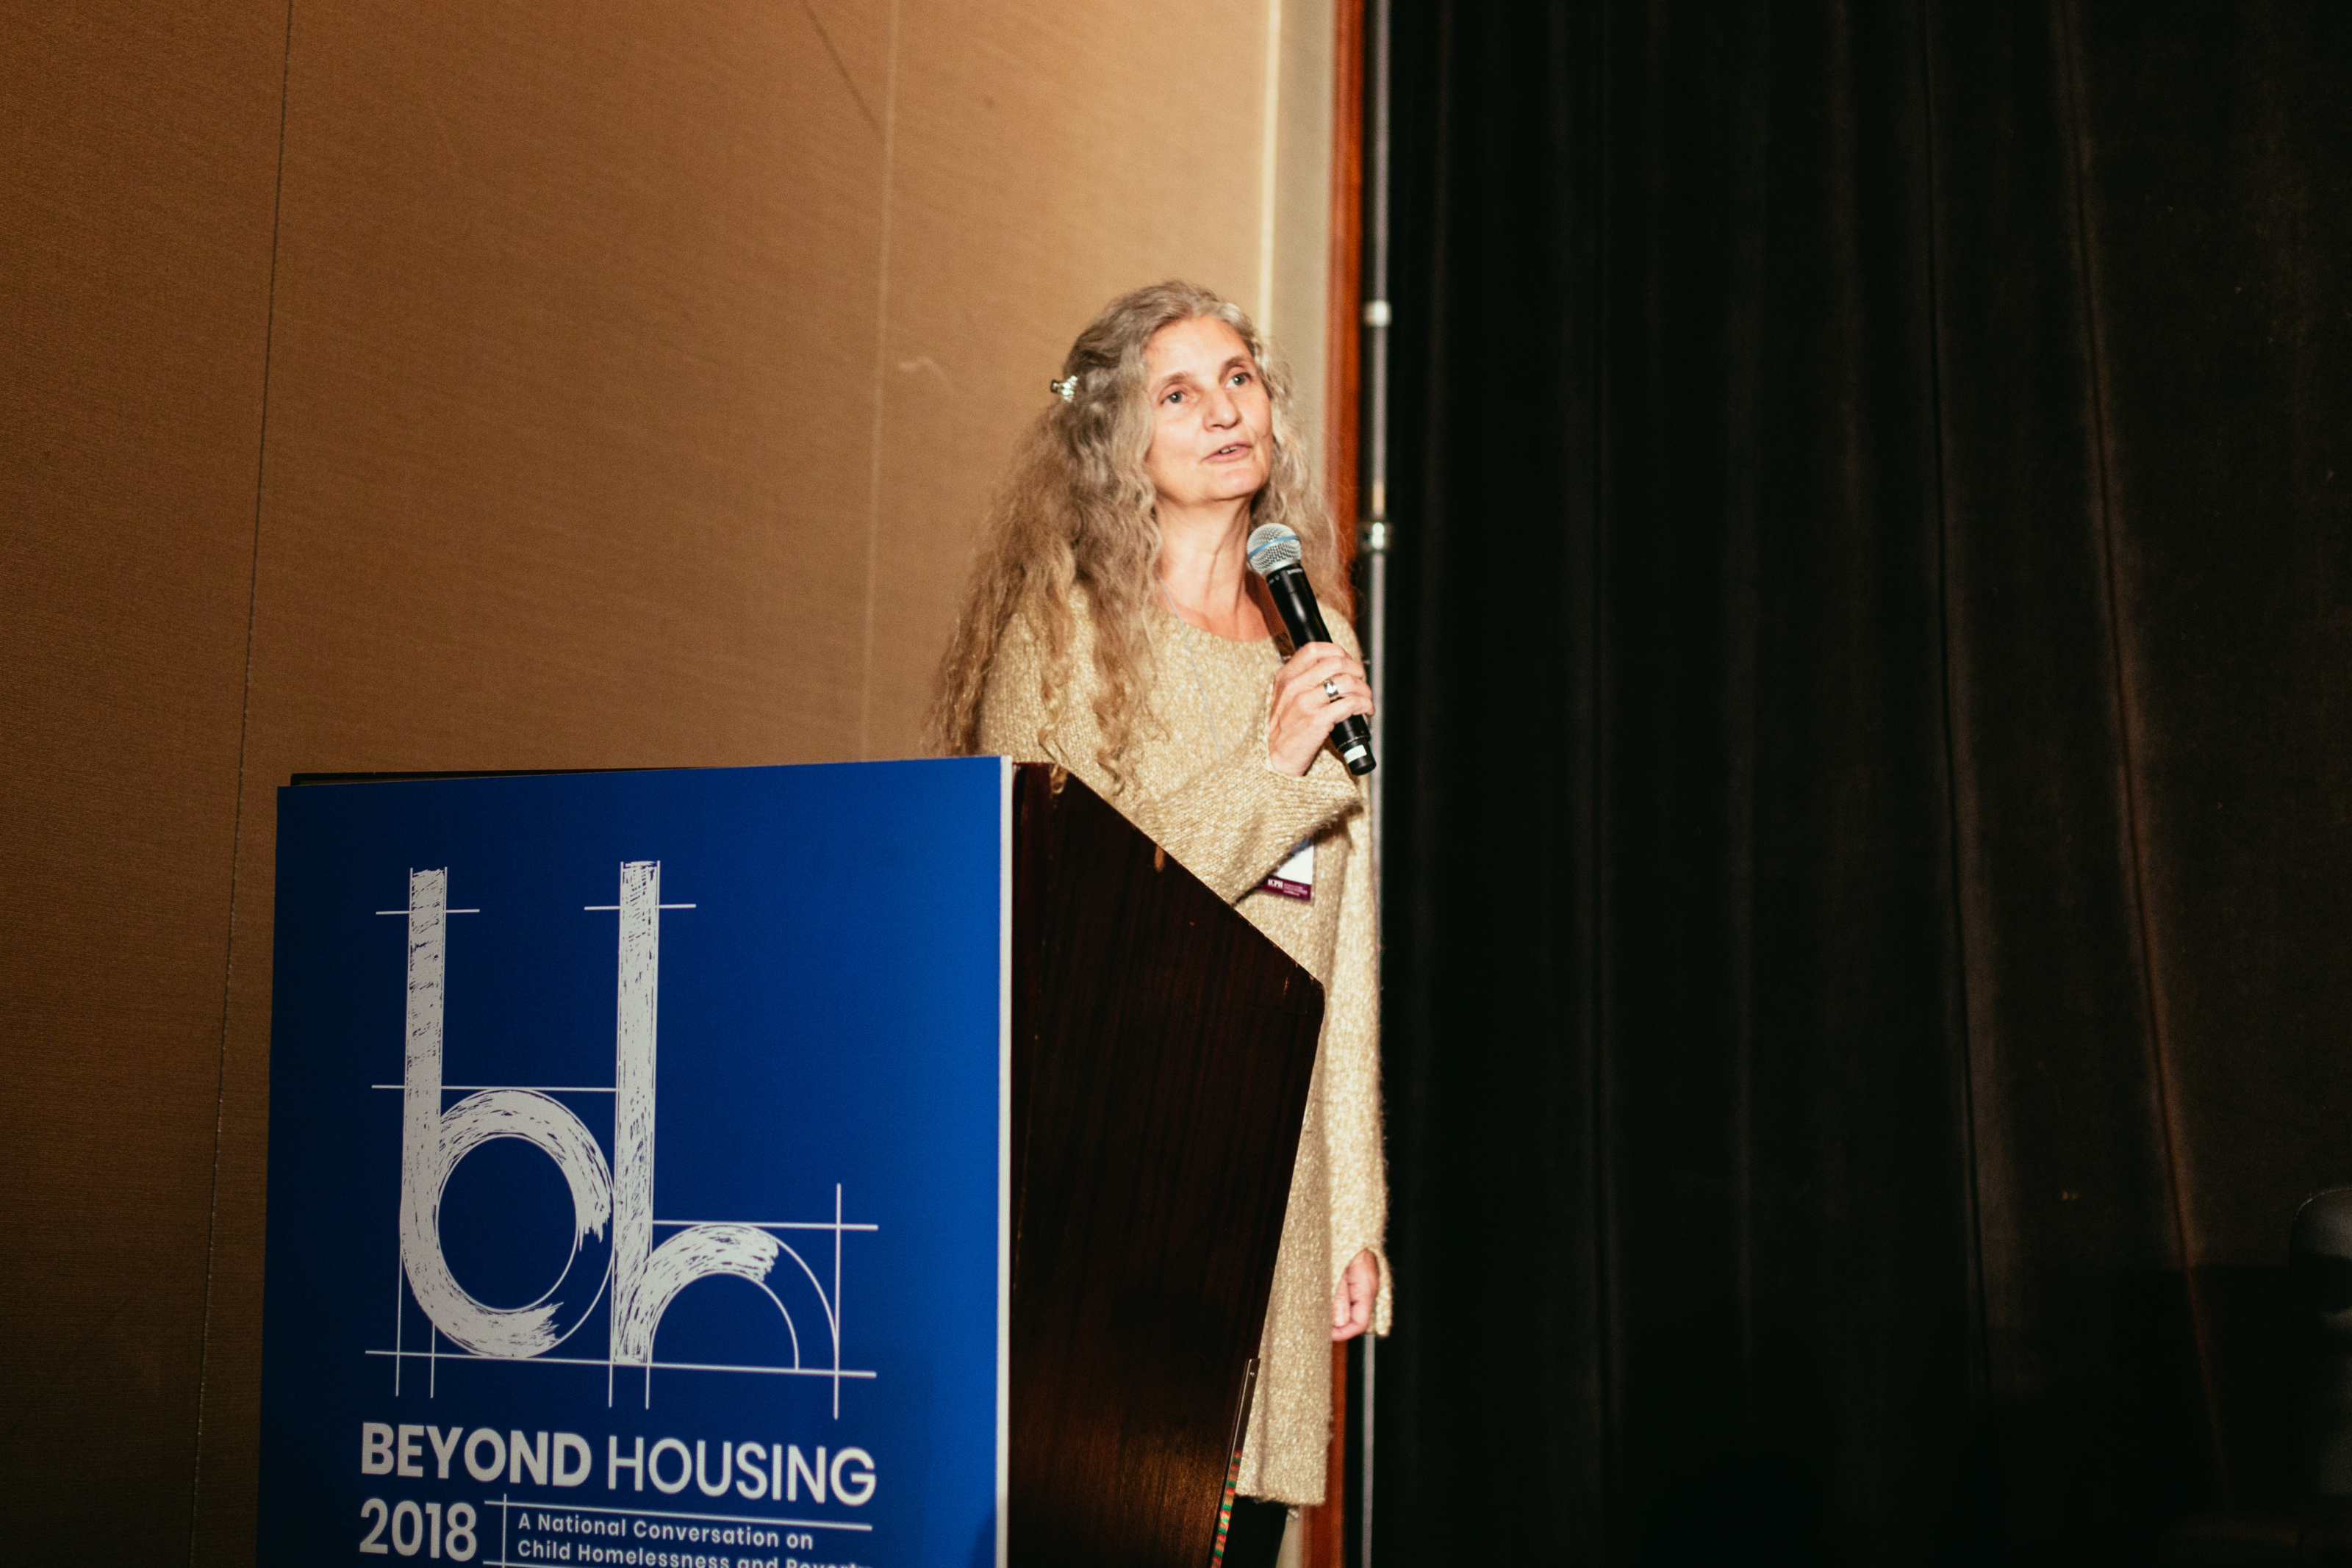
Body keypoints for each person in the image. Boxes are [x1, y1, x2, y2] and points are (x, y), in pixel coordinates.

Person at [928, 280, 1388, 1563]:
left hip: (1272, 1175)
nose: (1223, 409)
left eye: (1238, 378)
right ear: (1116, 439)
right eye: (1177, 393)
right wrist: (1273, 770)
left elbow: (1344, 948)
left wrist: (1354, 1204)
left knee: (1242, 1525)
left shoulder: (1313, 643)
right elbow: (1066, 903)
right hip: (1114, 1159)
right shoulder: (1063, 637)